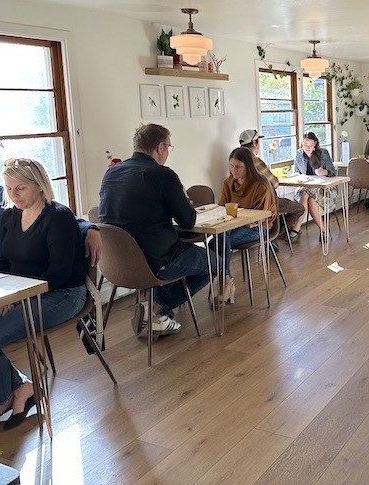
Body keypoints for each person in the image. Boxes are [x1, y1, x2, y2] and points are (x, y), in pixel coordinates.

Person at [0, 158, 87, 428]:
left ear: (39, 186)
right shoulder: (11, 215)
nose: (13, 195)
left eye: (21, 188)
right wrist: (7, 294)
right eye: (8, 188)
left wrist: (16, 298)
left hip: (62, 295)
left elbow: (58, 274)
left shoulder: (58, 217)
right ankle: (23, 387)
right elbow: (4, 261)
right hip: (21, 293)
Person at [99, 123, 219, 336]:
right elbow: (188, 221)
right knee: (215, 262)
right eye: (169, 148)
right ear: (160, 147)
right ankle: (156, 308)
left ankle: (157, 313)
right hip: (156, 261)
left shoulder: (111, 174)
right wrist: (182, 196)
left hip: (117, 263)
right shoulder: (162, 174)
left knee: (175, 247)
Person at [0, 145, 102, 272]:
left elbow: (56, 217)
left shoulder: (3, 196)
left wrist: (90, 229)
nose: (13, 192)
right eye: (10, 188)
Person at [217, 147, 276, 301]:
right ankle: (226, 282)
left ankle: (225, 283)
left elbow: (261, 216)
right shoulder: (228, 182)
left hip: (259, 228)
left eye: (238, 167)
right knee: (220, 239)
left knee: (219, 242)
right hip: (233, 226)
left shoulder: (261, 185)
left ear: (248, 166)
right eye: (231, 166)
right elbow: (222, 207)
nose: (234, 170)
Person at [239, 129, 304, 241]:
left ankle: (269, 235)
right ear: (254, 143)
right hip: (265, 203)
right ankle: (273, 236)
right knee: (299, 208)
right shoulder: (256, 161)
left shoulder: (236, 162)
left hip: (245, 204)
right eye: (258, 142)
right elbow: (274, 183)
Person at [289, 132, 337, 241]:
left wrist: (324, 172)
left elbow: (333, 172)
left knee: (306, 194)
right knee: (309, 198)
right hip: (305, 187)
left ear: (315, 144)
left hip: (323, 189)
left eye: (310, 145)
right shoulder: (299, 154)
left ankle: (296, 229)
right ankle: (324, 230)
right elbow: (296, 172)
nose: (307, 147)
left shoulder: (323, 153)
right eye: (305, 144)